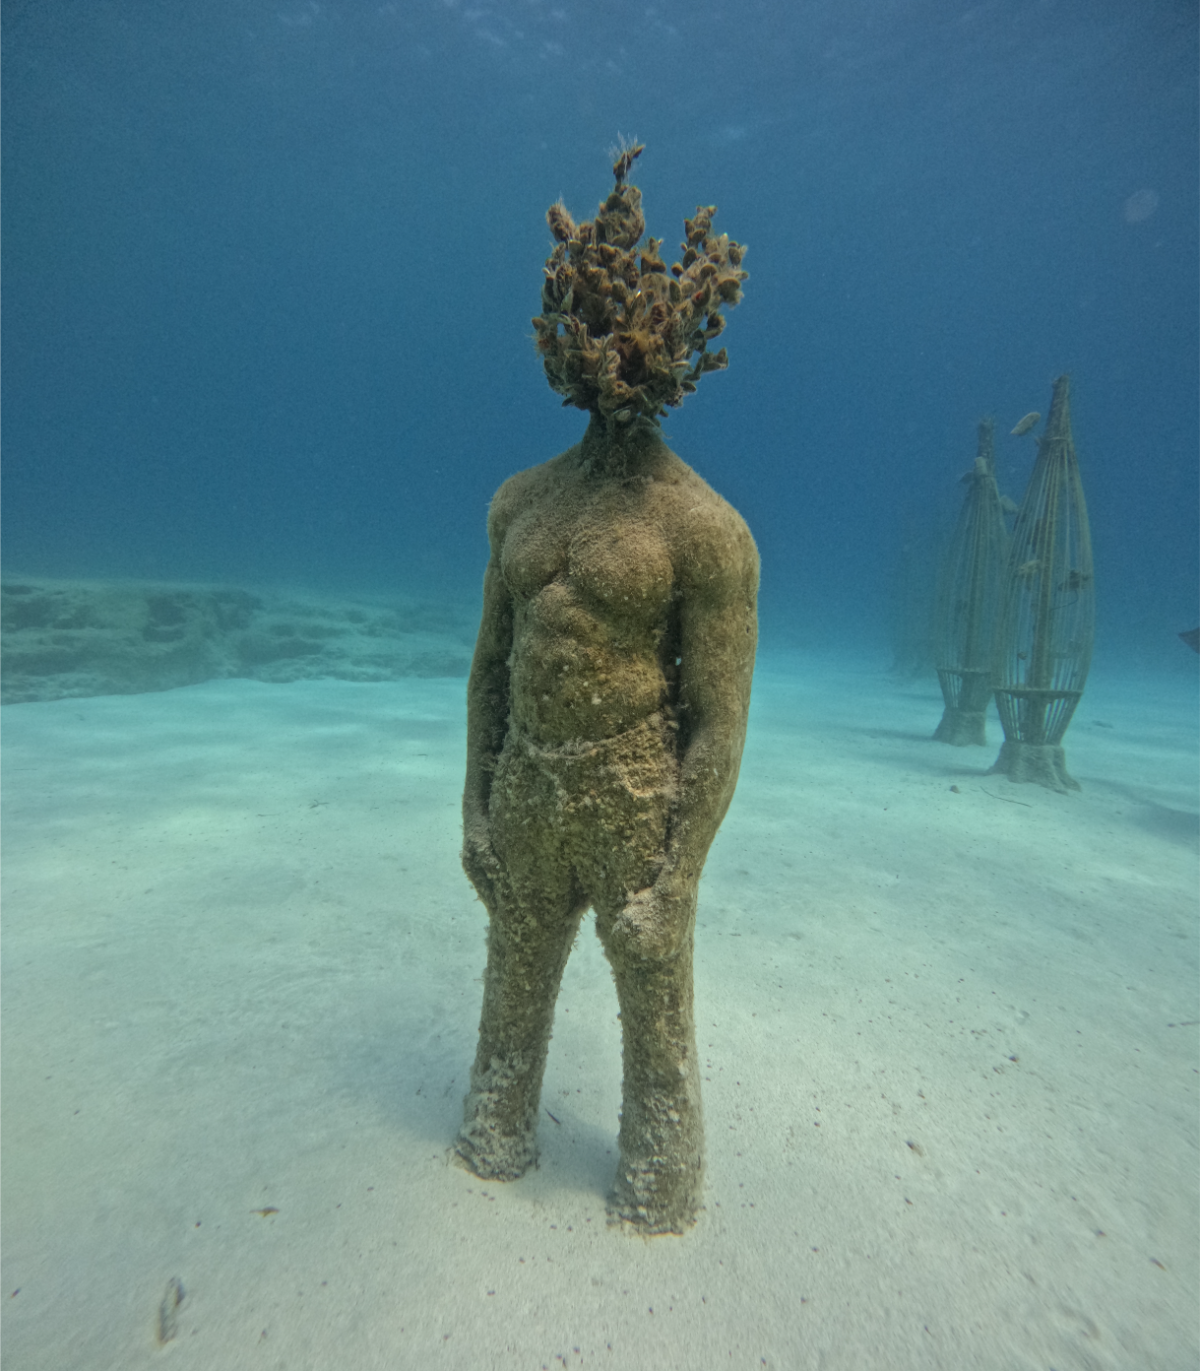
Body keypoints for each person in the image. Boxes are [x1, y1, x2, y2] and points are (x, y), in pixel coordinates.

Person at [454, 147, 758, 1233]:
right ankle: (496, 1130)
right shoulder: (520, 504)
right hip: (531, 791)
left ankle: (660, 1182)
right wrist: (474, 803)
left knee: (658, 1018)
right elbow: (491, 665)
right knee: (510, 999)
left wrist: (679, 875)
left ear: (679, 336)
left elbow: (721, 715)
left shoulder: (704, 530)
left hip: (635, 799)